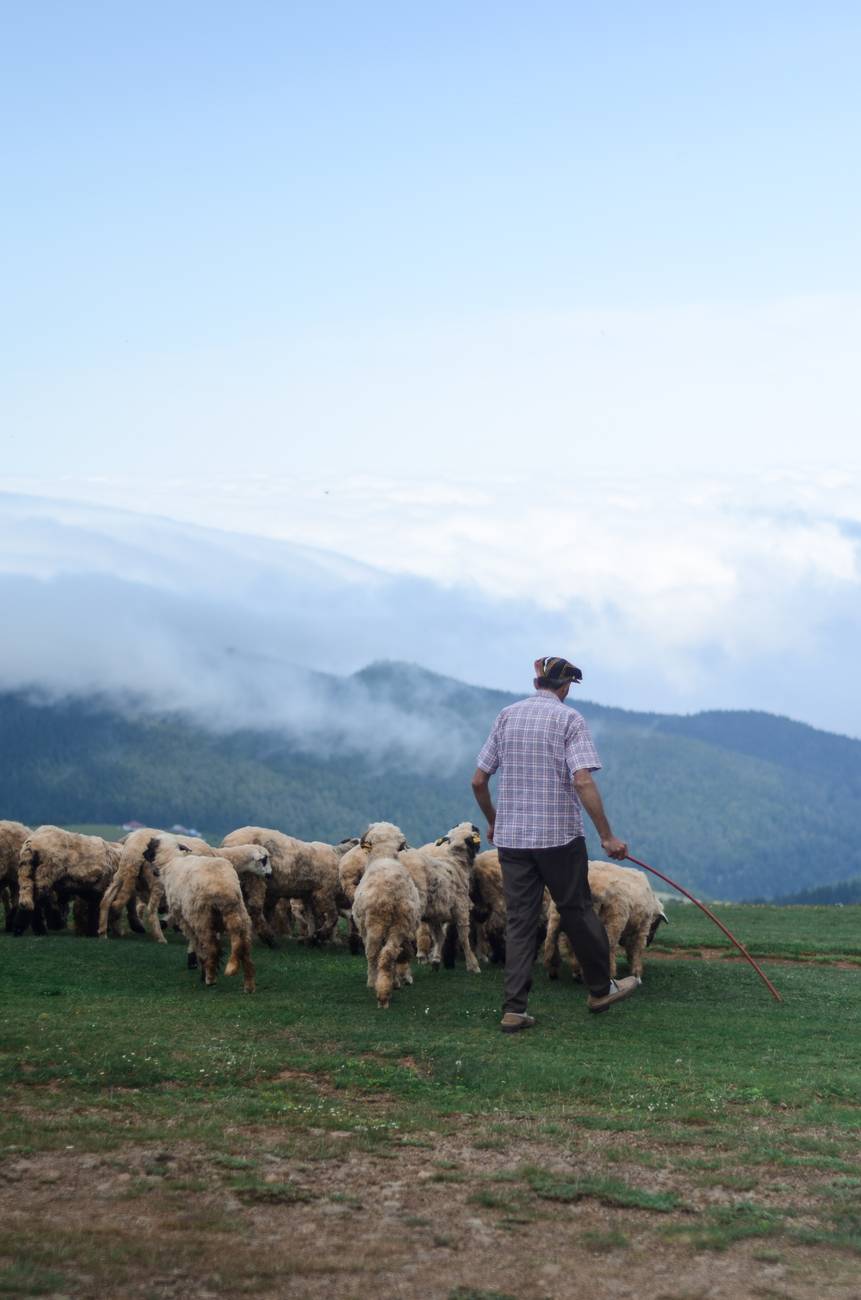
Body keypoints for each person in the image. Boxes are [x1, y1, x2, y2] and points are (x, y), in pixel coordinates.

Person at [471, 656, 638, 1033]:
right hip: (559, 838)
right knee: (576, 910)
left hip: (512, 843)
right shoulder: (569, 720)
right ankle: (600, 990)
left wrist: (495, 821)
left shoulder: (507, 716)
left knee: (520, 919)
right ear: (564, 687)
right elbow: (582, 781)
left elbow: (478, 782)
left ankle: (514, 1009)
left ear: (537, 683)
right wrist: (607, 836)